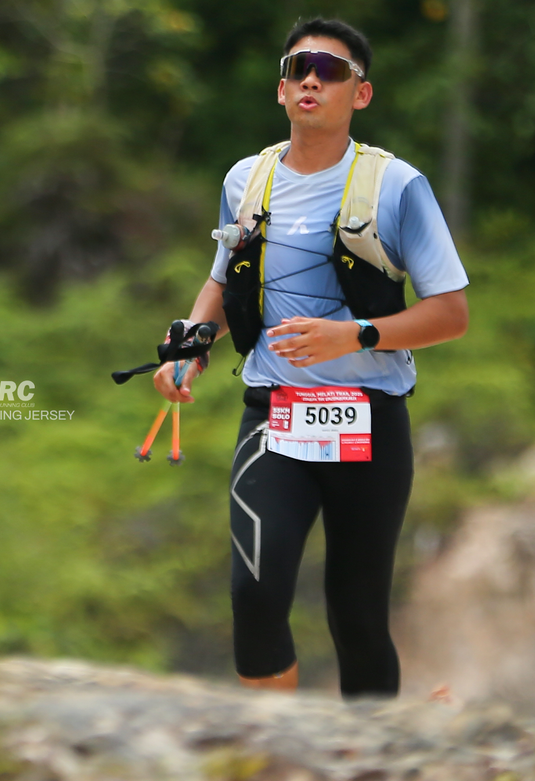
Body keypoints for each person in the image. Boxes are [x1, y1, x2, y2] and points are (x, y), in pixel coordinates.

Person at [154, 17, 469, 699]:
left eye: (332, 71)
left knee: (358, 617)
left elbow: (451, 314)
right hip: (275, 415)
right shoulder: (247, 180)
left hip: (368, 421)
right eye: (300, 68)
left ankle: (371, 749)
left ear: (361, 94)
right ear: (281, 89)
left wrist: (355, 335)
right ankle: (275, 747)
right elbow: (223, 280)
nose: (312, 81)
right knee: (254, 594)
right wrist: (189, 349)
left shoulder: (397, 186)